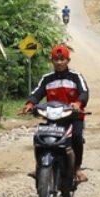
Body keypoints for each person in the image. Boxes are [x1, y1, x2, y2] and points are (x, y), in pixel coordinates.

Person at [22, 44, 89, 183]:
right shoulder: (47, 79)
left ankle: (77, 168)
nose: (59, 62)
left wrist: (78, 103)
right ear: (52, 61)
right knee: (41, 138)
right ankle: (40, 166)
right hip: (53, 118)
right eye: (56, 59)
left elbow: (84, 92)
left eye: (62, 59)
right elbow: (37, 93)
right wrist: (30, 104)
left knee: (76, 136)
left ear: (68, 61)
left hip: (73, 117)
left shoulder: (76, 77)